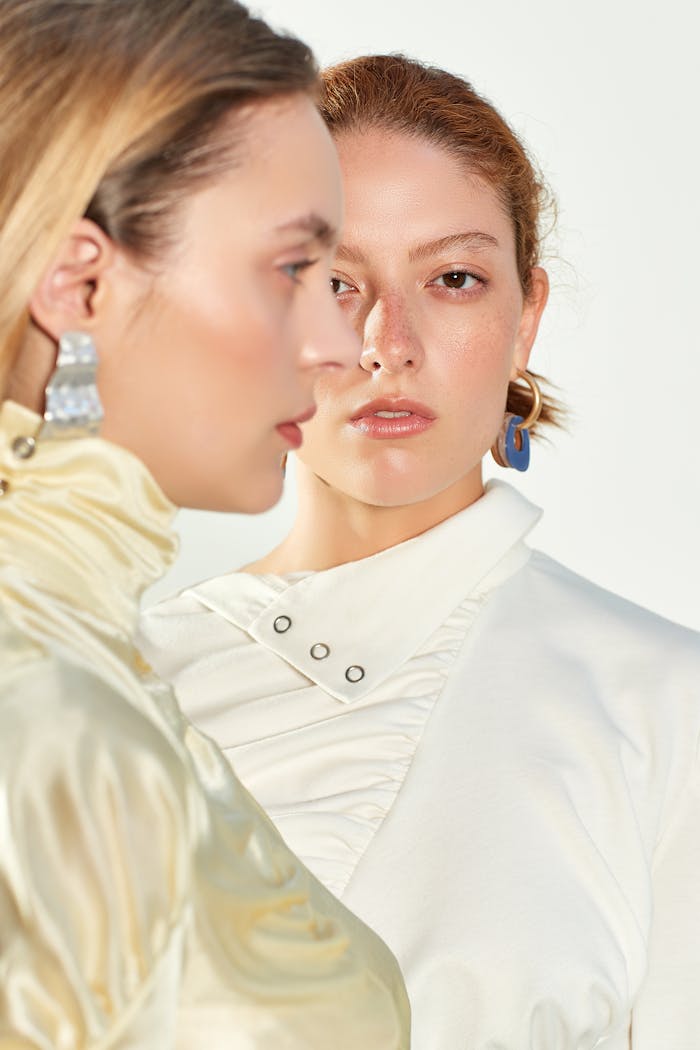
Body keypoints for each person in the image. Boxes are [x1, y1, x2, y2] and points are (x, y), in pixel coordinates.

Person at [140, 52, 700, 1050]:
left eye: (451, 278)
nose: (386, 341)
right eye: (330, 279)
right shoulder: (108, 684)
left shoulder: (664, 710)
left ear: (523, 316)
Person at [0, 9, 411, 1046]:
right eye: (292, 270)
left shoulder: (85, 653)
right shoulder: (46, 709)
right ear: (80, 283)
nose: (339, 345)